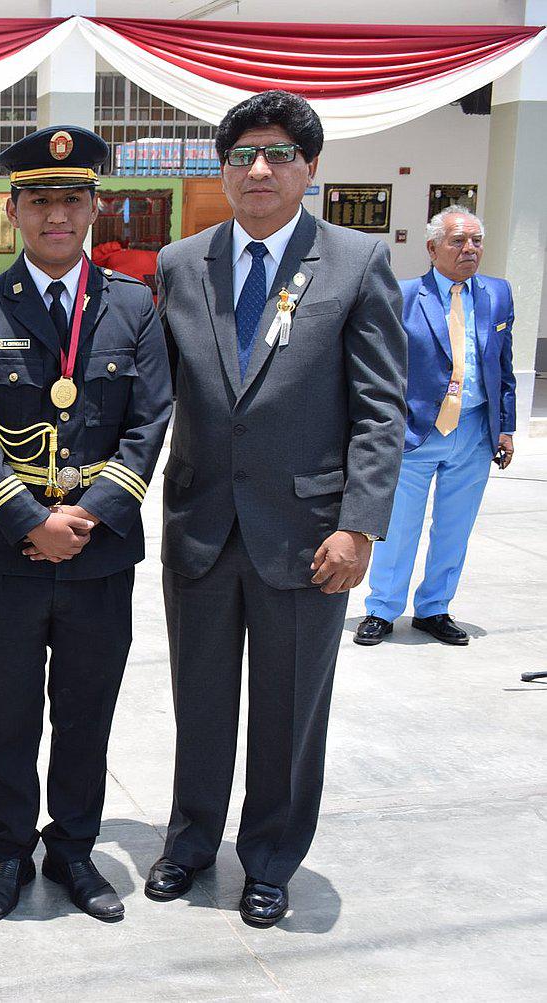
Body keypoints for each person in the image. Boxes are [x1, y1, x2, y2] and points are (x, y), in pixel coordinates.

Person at [149, 90, 407, 928]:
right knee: (201, 699)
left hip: (307, 536)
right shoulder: (183, 264)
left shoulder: (357, 262)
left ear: (310, 169)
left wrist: (360, 522)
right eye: (242, 156)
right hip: (201, 529)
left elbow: (380, 406)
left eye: (278, 154)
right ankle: (190, 843)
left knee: (290, 708)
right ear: (223, 171)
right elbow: (154, 395)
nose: (259, 169)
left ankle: (269, 857)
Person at [0, 127, 172, 923]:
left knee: (86, 711)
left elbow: (150, 423)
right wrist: (27, 519)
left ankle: (74, 850)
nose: (55, 214)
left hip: (97, 556)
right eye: (38, 199)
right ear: (12, 210)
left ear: (92, 206)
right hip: (7, 557)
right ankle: (9, 851)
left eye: (70, 198)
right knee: (5, 714)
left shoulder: (136, 306)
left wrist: (87, 514)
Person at [356, 207, 516, 646]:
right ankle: (383, 609)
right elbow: (382, 366)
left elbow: (503, 366)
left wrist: (506, 426)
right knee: (398, 527)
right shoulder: (405, 295)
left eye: (477, 241)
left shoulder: (497, 294)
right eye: (458, 241)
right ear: (432, 248)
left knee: (455, 526)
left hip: (473, 432)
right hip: (416, 433)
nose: (470, 249)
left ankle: (434, 608)